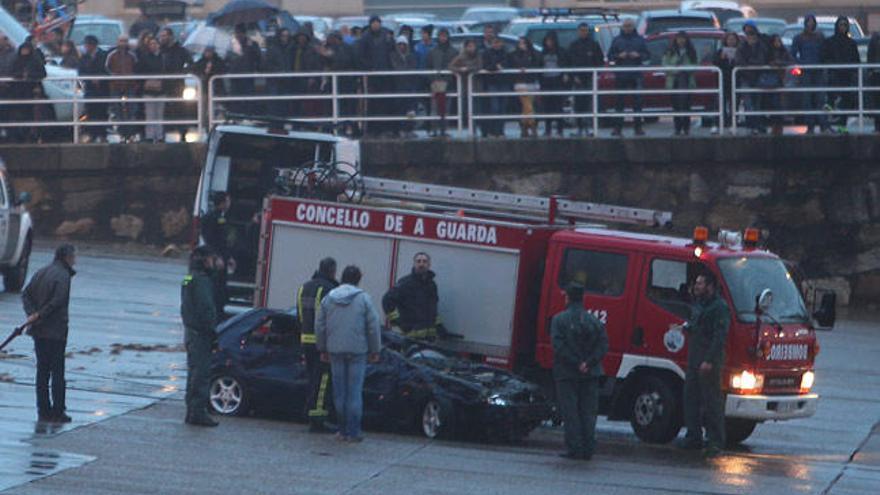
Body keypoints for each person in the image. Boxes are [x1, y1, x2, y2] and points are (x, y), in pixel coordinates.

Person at [315, 265, 381, 443]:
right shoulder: (364, 299)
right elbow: (373, 326)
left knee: (340, 393)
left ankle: (341, 431)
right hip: (358, 351)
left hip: (335, 350)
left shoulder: (329, 298)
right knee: (354, 392)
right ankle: (354, 432)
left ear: (342, 277)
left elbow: (320, 325)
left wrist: (322, 348)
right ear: (359, 279)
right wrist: (375, 350)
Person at [551, 283, 608, 461]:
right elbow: (603, 346)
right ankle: (588, 448)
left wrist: (576, 363)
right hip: (591, 373)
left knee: (571, 412)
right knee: (588, 412)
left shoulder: (559, 320)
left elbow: (558, 346)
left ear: (567, 297)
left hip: (567, 373)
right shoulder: (595, 321)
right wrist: (588, 363)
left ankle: (574, 448)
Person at [21, 244, 77, 423]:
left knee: (42, 372)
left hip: (39, 331)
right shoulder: (63, 276)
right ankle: (58, 411)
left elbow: (26, 294)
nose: (75, 260)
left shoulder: (42, 272)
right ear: (67, 257)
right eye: (74, 256)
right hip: (55, 332)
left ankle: (43, 410)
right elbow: (57, 302)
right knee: (57, 373)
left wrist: (33, 315)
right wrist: (39, 315)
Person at [679, 272, 730, 458]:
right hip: (694, 360)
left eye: (700, 283)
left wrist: (709, 360)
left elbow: (719, 336)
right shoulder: (699, 304)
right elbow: (696, 325)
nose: (696, 286)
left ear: (710, 286)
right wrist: (686, 328)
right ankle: (693, 437)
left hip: (709, 363)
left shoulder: (719, 308)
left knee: (712, 403)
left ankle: (715, 441)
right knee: (690, 399)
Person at [298, 258, 339, 432]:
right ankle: (318, 420)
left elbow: (300, 315)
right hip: (321, 343)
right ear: (332, 270)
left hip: (305, 339)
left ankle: (308, 412)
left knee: (312, 379)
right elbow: (328, 319)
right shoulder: (329, 290)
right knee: (322, 381)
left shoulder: (304, 287)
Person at [181, 247, 219, 427]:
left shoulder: (189, 278)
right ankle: (198, 412)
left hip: (190, 332)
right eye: (211, 259)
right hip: (200, 334)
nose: (213, 263)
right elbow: (206, 308)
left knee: (193, 372)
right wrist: (212, 331)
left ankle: (191, 410)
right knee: (201, 373)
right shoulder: (202, 281)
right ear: (204, 260)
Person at [382, 252, 456, 341]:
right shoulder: (406, 283)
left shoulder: (432, 285)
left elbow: (433, 309)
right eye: (418, 261)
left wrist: (440, 328)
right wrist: (398, 322)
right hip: (411, 337)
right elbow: (387, 300)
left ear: (429, 265)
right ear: (414, 264)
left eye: (424, 261)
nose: (421, 264)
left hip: (430, 338)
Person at [608, 18, 649, 136]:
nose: (627, 28)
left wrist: (638, 55)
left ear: (633, 27)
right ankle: (617, 128)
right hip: (621, 75)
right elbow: (610, 56)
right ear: (622, 27)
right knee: (619, 103)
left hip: (636, 74)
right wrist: (618, 56)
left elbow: (647, 56)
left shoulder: (640, 40)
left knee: (638, 103)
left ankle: (638, 128)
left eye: (629, 26)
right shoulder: (616, 40)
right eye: (625, 26)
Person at [791, 14, 829, 133]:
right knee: (806, 100)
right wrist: (800, 64)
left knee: (820, 99)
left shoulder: (820, 37)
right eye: (808, 22)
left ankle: (823, 124)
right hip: (806, 72)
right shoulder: (799, 38)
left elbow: (825, 52)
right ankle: (810, 125)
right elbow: (793, 54)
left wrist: (824, 65)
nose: (810, 24)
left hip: (818, 71)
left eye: (812, 22)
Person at [821, 16, 860, 133]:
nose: (843, 27)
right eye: (841, 25)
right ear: (837, 26)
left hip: (847, 75)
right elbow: (824, 57)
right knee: (832, 96)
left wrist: (853, 71)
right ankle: (829, 111)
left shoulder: (851, 43)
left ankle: (842, 127)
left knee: (846, 102)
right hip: (834, 74)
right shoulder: (830, 42)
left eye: (845, 25)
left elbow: (856, 59)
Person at [357, 16, 395, 136]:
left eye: (377, 23)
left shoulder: (386, 35)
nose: (376, 25)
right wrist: (369, 67)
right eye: (373, 23)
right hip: (372, 74)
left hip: (386, 73)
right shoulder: (365, 37)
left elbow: (392, 51)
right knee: (372, 102)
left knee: (386, 101)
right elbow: (361, 55)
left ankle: (385, 127)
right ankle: (373, 129)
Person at [567, 23, 604, 136]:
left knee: (590, 104)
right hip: (577, 79)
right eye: (582, 30)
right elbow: (569, 63)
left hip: (589, 79)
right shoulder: (573, 45)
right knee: (578, 104)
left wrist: (595, 74)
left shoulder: (594, 45)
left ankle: (590, 128)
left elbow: (599, 61)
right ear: (578, 31)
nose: (584, 32)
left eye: (586, 30)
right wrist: (574, 76)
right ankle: (579, 128)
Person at [200, 191, 235, 313]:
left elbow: (223, 240)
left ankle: (219, 311)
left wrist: (228, 257)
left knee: (221, 288)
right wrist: (216, 257)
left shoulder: (221, 217)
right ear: (222, 203)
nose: (229, 203)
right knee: (215, 288)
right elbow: (210, 240)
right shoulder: (211, 218)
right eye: (228, 200)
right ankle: (213, 313)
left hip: (222, 258)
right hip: (215, 260)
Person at [736, 21, 771, 135]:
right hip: (746, 77)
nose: (749, 34)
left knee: (757, 103)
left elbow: (762, 60)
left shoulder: (761, 45)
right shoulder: (741, 45)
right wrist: (749, 64)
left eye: (750, 30)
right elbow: (739, 61)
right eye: (746, 30)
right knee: (748, 103)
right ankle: (752, 125)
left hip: (758, 77)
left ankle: (757, 125)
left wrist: (750, 63)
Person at [158, 27, 192, 137]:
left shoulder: (180, 50)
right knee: (164, 109)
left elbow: (190, 63)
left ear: (170, 36)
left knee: (180, 108)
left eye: (164, 36)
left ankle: (182, 131)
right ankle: (163, 132)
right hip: (164, 84)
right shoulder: (160, 50)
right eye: (161, 36)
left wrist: (182, 72)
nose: (162, 38)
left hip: (177, 84)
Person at [10, 42, 47, 142]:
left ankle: (33, 134)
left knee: (33, 114)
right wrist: (20, 75)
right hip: (19, 91)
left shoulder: (35, 60)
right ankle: (20, 135)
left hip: (32, 90)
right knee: (19, 114)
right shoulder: (17, 61)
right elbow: (12, 72)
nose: (24, 52)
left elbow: (42, 73)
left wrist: (30, 76)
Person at [663, 31, 697, 136]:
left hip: (687, 80)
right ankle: (677, 128)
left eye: (683, 38)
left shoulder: (691, 51)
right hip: (674, 81)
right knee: (676, 105)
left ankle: (686, 128)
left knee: (687, 105)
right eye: (679, 38)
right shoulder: (669, 51)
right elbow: (665, 65)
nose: (681, 41)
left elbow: (696, 65)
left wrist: (685, 68)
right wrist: (675, 69)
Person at [105, 35, 138, 140]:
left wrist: (133, 79)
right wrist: (114, 77)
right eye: (121, 41)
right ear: (117, 42)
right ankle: (121, 132)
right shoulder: (112, 55)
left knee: (131, 110)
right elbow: (107, 69)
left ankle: (130, 132)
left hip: (130, 85)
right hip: (116, 86)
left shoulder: (132, 55)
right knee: (117, 110)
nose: (123, 43)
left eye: (125, 41)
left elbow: (136, 68)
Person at [507, 36, 541, 138]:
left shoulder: (534, 54)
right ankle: (533, 126)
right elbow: (515, 65)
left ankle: (524, 127)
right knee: (528, 105)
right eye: (520, 43)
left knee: (526, 107)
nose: (522, 45)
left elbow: (537, 64)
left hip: (532, 81)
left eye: (524, 43)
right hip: (520, 82)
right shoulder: (514, 55)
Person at [427, 28, 458, 137]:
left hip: (448, 83)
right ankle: (434, 130)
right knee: (434, 108)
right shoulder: (432, 51)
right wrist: (432, 79)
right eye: (441, 36)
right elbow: (429, 67)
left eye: (445, 36)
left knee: (446, 108)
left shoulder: (454, 51)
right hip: (435, 83)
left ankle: (444, 130)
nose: (443, 38)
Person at [78, 35, 108, 142]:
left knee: (102, 112)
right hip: (90, 89)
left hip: (102, 89)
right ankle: (93, 134)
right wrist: (89, 80)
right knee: (90, 112)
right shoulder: (84, 57)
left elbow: (107, 70)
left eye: (87, 44)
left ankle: (102, 134)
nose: (86, 47)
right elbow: (81, 72)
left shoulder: (104, 55)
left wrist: (101, 78)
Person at [226, 24, 262, 115]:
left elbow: (258, 58)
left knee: (248, 98)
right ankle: (236, 116)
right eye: (237, 33)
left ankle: (248, 116)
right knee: (235, 99)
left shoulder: (252, 44)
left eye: (240, 33)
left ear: (244, 33)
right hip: (235, 76)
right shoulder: (231, 45)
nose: (238, 35)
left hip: (248, 75)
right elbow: (227, 58)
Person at [539, 32, 568, 137]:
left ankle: (560, 129)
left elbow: (565, 63)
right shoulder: (543, 52)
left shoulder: (561, 51)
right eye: (547, 41)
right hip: (546, 80)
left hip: (557, 79)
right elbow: (539, 65)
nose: (549, 43)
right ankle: (548, 129)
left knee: (558, 105)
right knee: (547, 106)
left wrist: (565, 74)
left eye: (550, 40)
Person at [136, 37, 165, 142]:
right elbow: (139, 71)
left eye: (155, 43)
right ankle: (150, 136)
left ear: (158, 45)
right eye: (151, 44)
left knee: (159, 115)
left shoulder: (163, 57)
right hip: (148, 90)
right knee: (150, 114)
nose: (153, 45)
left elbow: (166, 70)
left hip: (161, 89)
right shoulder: (144, 58)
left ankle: (160, 136)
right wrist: (146, 82)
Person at [449, 39, 483, 127]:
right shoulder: (461, 57)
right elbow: (451, 66)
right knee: (465, 105)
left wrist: (468, 68)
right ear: (465, 47)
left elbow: (479, 66)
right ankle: (466, 123)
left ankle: (475, 124)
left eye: (473, 46)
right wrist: (460, 70)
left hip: (476, 84)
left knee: (477, 105)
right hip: (464, 85)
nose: (471, 48)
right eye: (469, 46)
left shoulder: (478, 56)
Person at [480, 35, 509, 137]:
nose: (497, 44)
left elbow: (507, 64)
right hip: (492, 83)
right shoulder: (486, 53)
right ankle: (494, 130)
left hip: (504, 83)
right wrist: (496, 66)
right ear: (491, 43)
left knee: (503, 108)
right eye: (495, 42)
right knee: (495, 107)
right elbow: (486, 66)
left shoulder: (505, 53)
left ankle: (501, 130)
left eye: (498, 42)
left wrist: (496, 66)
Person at [391, 35, 419, 137]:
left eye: (403, 44)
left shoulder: (411, 56)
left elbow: (414, 68)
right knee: (399, 109)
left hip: (410, 86)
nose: (401, 47)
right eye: (399, 44)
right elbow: (395, 68)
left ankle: (410, 129)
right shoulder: (393, 56)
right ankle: (400, 129)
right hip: (398, 87)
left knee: (411, 110)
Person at [767, 34, 794, 135]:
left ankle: (779, 124)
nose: (778, 43)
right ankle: (775, 124)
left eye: (779, 41)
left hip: (782, 80)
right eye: (776, 41)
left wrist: (779, 63)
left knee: (780, 103)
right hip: (771, 81)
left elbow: (791, 61)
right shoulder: (768, 52)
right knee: (773, 103)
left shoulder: (784, 52)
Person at [712, 31, 739, 131]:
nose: (731, 41)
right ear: (725, 41)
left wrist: (736, 59)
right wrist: (722, 58)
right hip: (722, 80)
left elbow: (742, 63)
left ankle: (732, 124)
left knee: (734, 103)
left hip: (735, 81)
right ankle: (717, 124)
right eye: (729, 39)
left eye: (733, 39)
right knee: (720, 103)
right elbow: (714, 62)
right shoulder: (720, 51)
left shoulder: (740, 51)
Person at [868, 33, 880, 133]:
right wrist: (870, 70)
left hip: (876, 72)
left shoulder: (875, 39)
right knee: (877, 101)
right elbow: (870, 55)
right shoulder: (875, 39)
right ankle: (877, 125)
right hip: (877, 73)